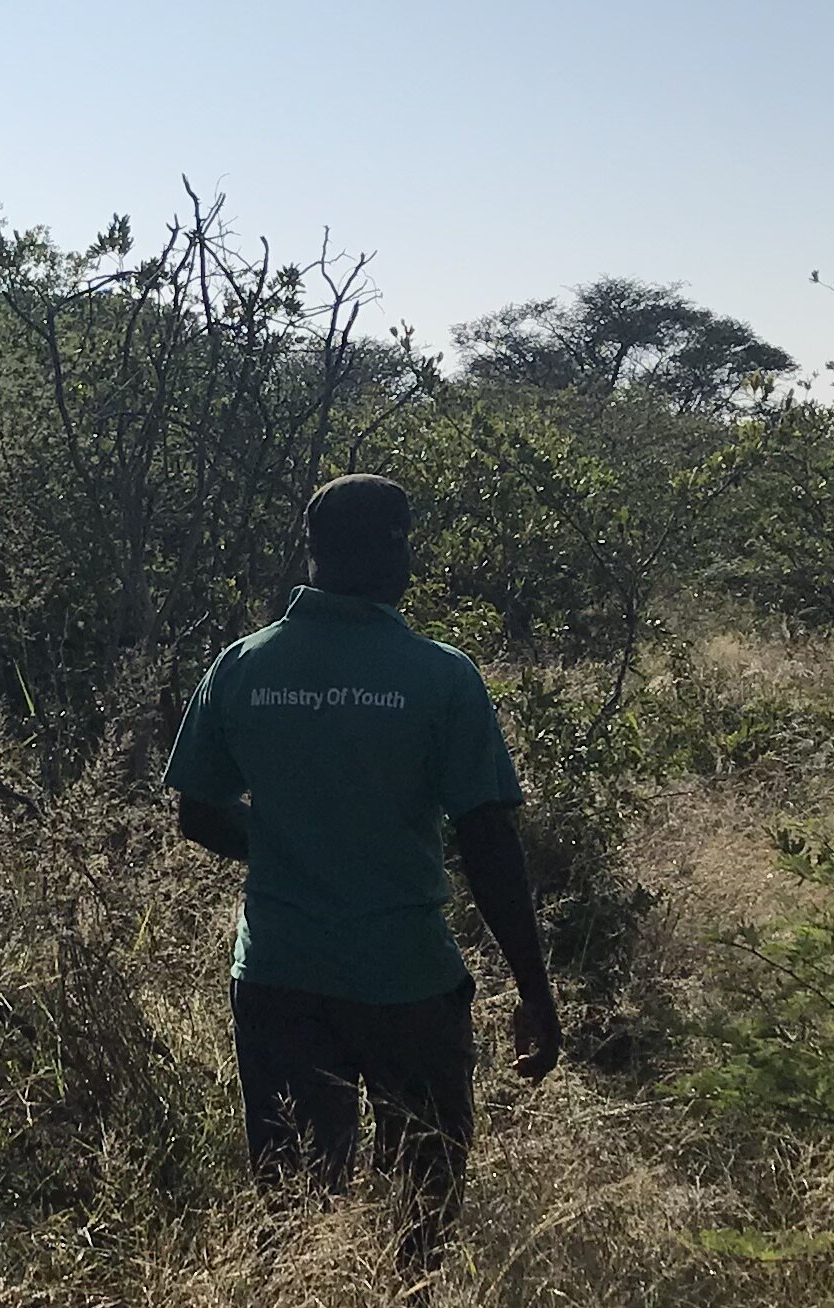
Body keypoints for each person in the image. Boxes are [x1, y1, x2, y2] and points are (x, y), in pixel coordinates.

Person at [163, 473, 560, 1265]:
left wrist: (285, 845)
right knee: (425, 1201)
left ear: (311, 553)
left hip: (279, 977)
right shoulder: (441, 676)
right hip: (405, 983)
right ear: (393, 551)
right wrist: (535, 990)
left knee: (294, 1201)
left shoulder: (243, 666)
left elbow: (196, 810)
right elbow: (488, 844)